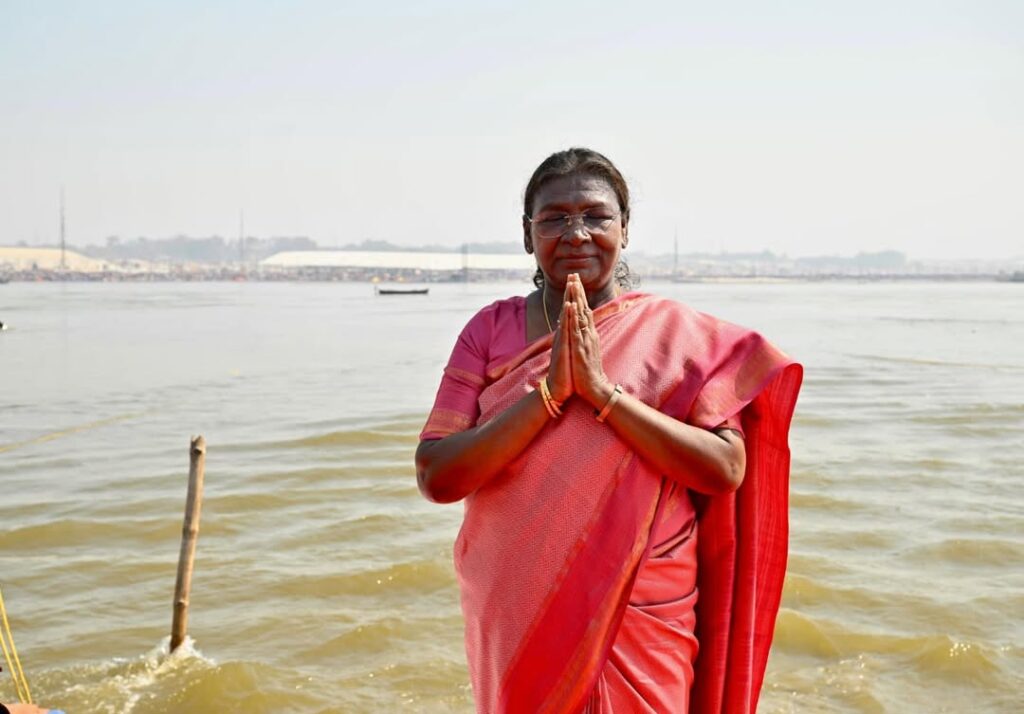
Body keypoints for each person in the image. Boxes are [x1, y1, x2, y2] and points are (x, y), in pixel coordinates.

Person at [415, 148, 803, 713]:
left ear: (624, 228)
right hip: (519, 602)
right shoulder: (490, 331)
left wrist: (602, 394)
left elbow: (726, 470)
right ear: (528, 235)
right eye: (554, 218)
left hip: (643, 608)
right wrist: (547, 394)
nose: (576, 233)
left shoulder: (674, 335)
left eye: (595, 216)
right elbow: (437, 475)